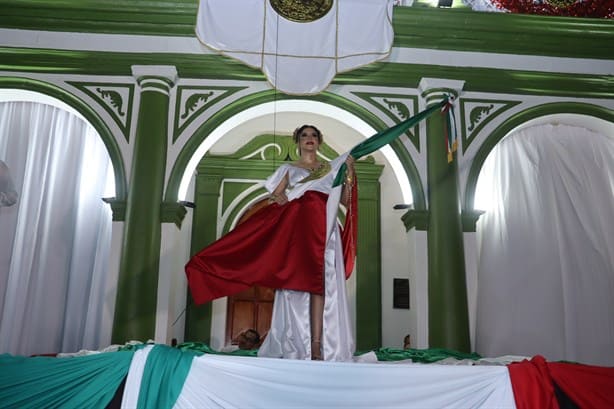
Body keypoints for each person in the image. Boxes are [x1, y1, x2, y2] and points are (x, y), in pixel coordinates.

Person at [185, 124, 357, 361]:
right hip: (299, 232)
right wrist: (281, 197)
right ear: (297, 141)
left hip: (326, 230)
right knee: (301, 284)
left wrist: (348, 175)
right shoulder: (289, 169)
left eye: (314, 135)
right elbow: (275, 197)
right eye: (304, 135)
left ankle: (318, 346)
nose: (309, 139)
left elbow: (345, 202)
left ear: (320, 142)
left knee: (323, 285)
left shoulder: (330, 169)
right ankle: (298, 343)